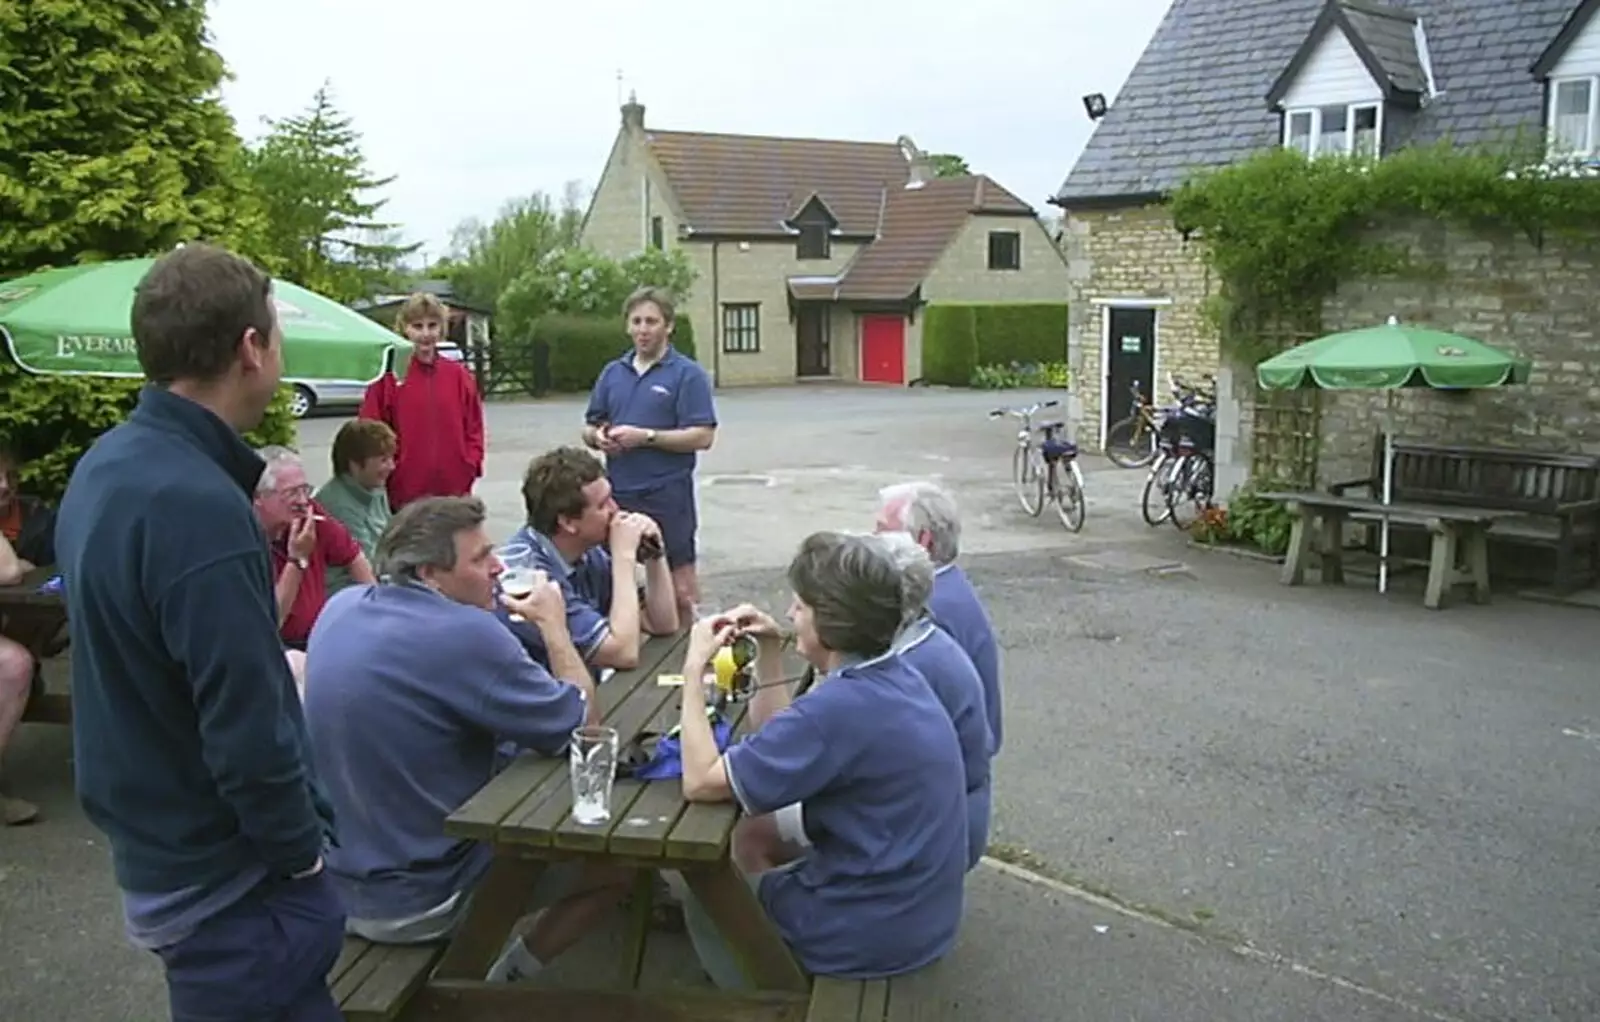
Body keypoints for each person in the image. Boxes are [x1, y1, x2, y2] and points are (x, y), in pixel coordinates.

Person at [53, 243, 344, 1022]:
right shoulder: (198, 505)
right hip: (227, 886)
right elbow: (245, 725)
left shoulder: (108, 464)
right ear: (251, 348)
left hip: (163, 855)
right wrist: (304, 860)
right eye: (276, 333)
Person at [303, 496, 630, 981]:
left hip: (335, 882)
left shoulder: (341, 608)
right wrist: (554, 626)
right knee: (618, 866)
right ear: (431, 574)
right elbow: (584, 731)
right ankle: (497, 981)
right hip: (421, 896)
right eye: (479, 558)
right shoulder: (465, 632)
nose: (498, 567)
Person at [671, 531, 968, 986]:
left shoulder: (840, 707)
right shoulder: (896, 673)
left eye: (801, 607)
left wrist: (693, 672)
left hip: (867, 935)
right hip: (920, 917)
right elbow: (782, 745)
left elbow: (700, 782)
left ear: (830, 621)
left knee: (709, 892)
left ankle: (763, 998)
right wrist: (773, 650)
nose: (790, 614)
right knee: (753, 835)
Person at [582, 287, 716, 622]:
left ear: (668, 326)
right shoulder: (613, 373)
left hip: (667, 494)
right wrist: (599, 439)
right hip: (617, 496)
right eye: (637, 321)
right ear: (628, 326)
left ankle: (689, 657)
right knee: (615, 586)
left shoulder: (687, 375)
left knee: (680, 590)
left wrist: (647, 437)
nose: (643, 329)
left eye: (651, 322)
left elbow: (703, 435)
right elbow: (589, 426)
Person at [877, 531, 993, 869]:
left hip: (931, 836)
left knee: (759, 830)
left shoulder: (902, 669)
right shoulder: (929, 638)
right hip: (956, 811)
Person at [506, 446, 678, 670]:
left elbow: (661, 623)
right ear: (568, 522)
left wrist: (655, 553)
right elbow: (623, 653)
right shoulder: (531, 575)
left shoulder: (587, 551)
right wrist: (623, 557)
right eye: (602, 504)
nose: (615, 509)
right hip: (545, 700)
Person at [876, 480, 1004, 753]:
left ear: (922, 540)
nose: (872, 539)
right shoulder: (950, 586)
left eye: (882, 530)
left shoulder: (928, 609)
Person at [253, 446, 375, 696]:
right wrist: (298, 559)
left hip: (316, 635)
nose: (302, 500)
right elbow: (271, 621)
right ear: (259, 497)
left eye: (304, 490)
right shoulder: (246, 538)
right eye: (291, 493)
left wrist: (376, 611)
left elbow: (354, 556)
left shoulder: (310, 515)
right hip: (273, 647)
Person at [359, 292, 485, 511]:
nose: (425, 334)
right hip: (404, 495)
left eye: (432, 325)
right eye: (417, 326)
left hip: (454, 494)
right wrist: (389, 473)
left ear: (442, 329)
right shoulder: (389, 377)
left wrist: (469, 466)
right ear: (405, 328)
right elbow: (369, 433)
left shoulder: (459, 376)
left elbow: (474, 428)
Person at [0, 444, 56, 825]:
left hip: (19, 625)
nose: (4, 486)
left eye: (8, 476)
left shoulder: (37, 518)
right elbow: (8, 572)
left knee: (14, 665)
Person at [313, 419, 396, 593]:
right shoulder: (337, 505)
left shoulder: (375, 486)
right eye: (383, 460)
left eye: (391, 458)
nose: (391, 466)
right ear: (355, 464)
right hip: (347, 590)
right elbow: (367, 563)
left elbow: (393, 535)